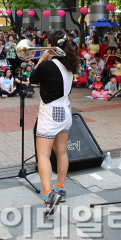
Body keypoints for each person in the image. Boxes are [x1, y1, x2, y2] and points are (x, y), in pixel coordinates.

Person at [29, 30, 79, 217]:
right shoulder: (70, 63)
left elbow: (32, 79)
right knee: (62, 151)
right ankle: (61, 188)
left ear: (50, 44)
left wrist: (42, 59)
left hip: (50, 112)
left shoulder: (48, 65)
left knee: (43, 154)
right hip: (65, 109)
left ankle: (48, 196)